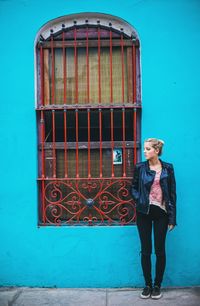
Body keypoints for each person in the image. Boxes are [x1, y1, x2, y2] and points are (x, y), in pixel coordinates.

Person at [131, 138, 176, 299]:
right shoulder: (140, 167)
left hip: (161, 214)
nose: (145, 151)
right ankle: (148, 284)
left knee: (160, 250)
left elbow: (171, 194)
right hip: (143, 213)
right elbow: (133, 188)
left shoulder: (168, 168)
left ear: (157, 151)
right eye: (144, 148)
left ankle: (157, 285)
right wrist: (139, 200)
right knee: (145, 251)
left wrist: (172, 218)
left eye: (148, 149)